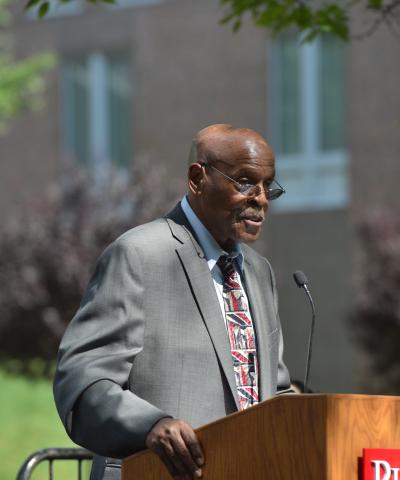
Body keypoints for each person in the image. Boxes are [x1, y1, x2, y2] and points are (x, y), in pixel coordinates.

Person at [53, 124, 292, 480]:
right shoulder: (139, 255)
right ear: (198, 178)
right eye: (245, 182)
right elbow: (84, 380)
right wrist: (150, 426)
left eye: (267, 185)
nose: (260, 199)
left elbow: (274, 388)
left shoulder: (259, 273)